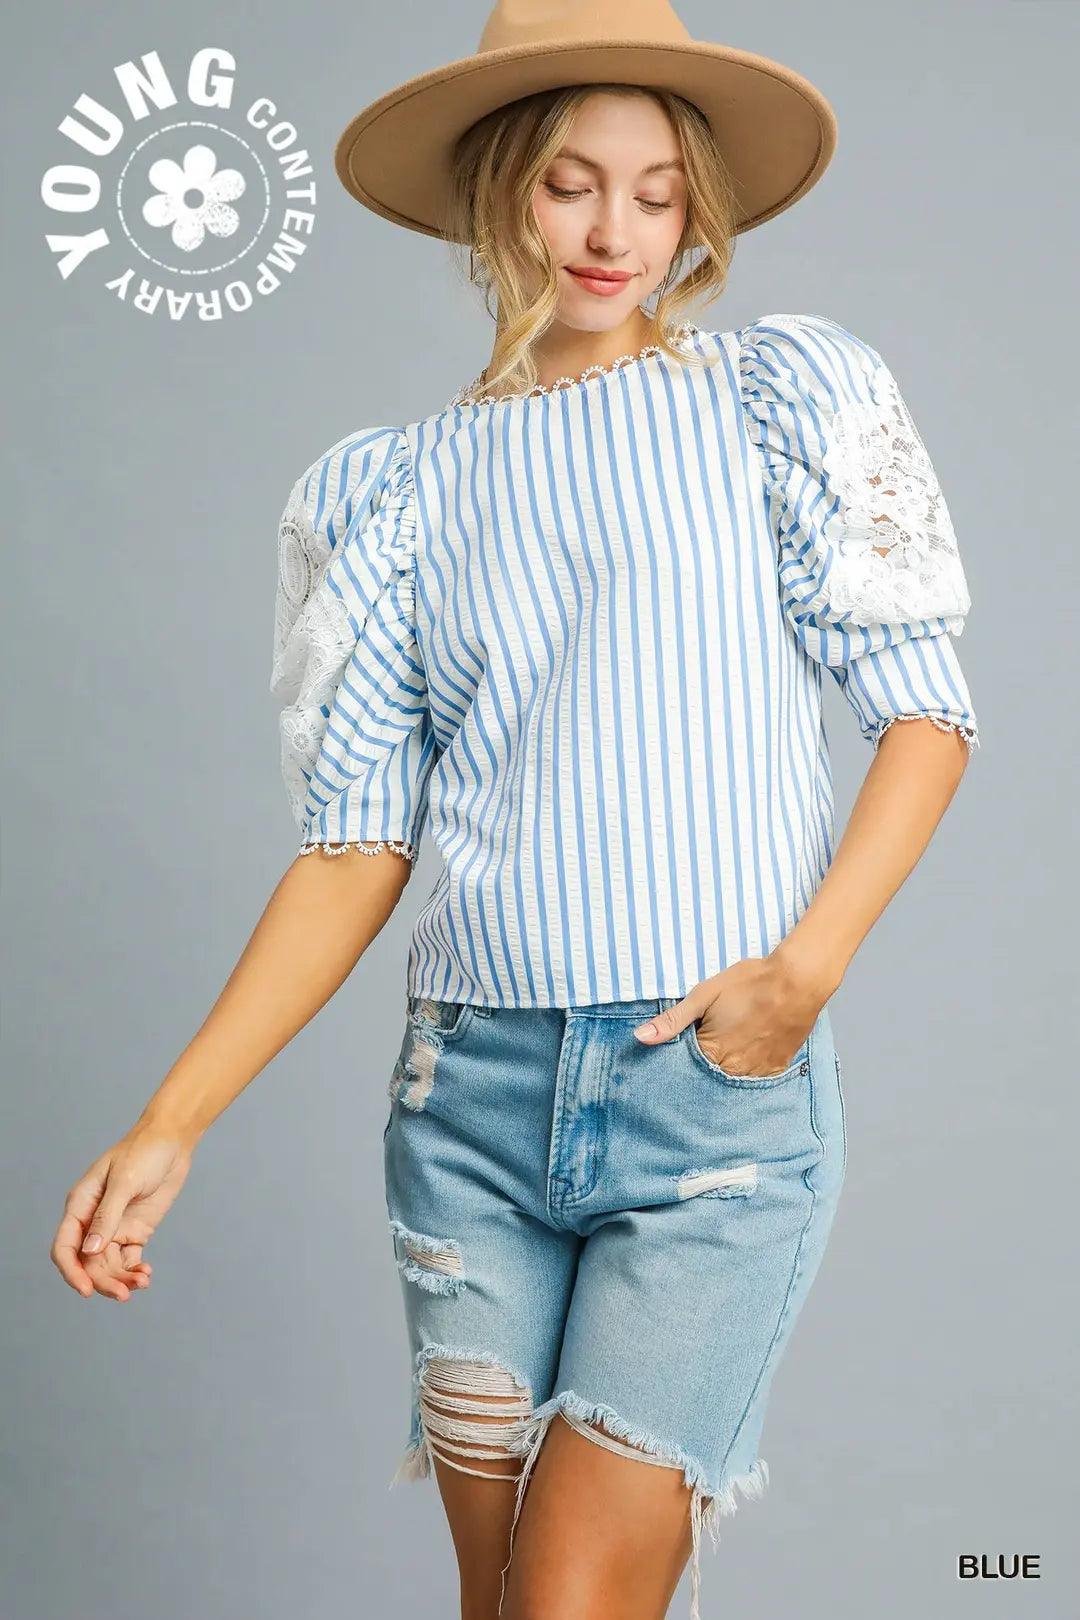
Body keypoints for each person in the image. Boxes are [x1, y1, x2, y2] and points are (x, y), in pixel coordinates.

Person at [51, 3, 980, 1617]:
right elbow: (356, 845)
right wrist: (171, 1120)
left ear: (696, 211)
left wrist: (804, 972)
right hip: (468, 1102)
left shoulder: (774, 402)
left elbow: (925, 712)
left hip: (707, 1100)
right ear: (496, 191)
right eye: (569, 184)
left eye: (657, 194)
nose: (615, 232)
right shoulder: (394, 492)